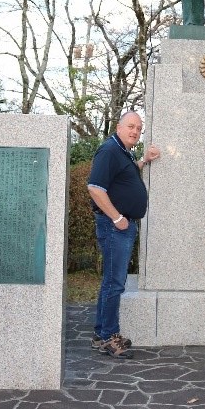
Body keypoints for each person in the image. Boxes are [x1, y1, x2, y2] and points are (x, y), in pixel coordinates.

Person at [87, 112, 160, 358]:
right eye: (131, 126)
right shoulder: (109, 150)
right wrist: (117, 218)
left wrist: (144, 161)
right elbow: (95, 188)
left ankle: (101, 334)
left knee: (112, 281)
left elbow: (124, 177)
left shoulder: (122, 152)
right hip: (114, 227)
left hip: (122, 227)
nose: (135, 132)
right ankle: (109, 336)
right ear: (118, 127)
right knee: (114, 283)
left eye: (139, 128)